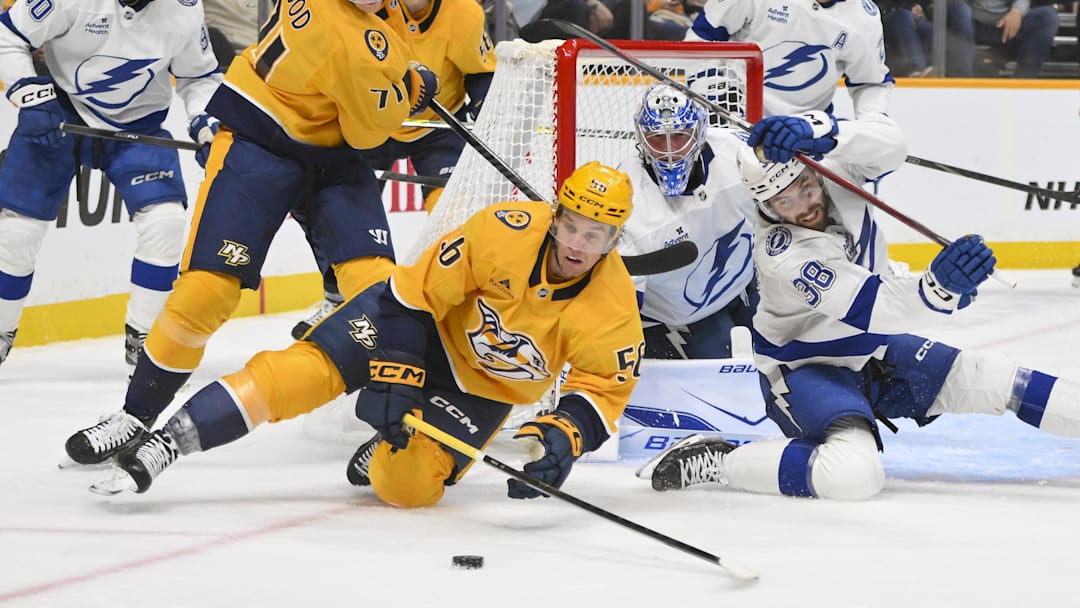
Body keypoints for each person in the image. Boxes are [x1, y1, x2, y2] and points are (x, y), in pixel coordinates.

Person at [90, 162, 645, 509]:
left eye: (595, 234)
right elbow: (412, 295)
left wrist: (562, 440)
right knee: (303, 374)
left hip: (486, 389)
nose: (577, 243)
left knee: (405, 489)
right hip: (419, 326)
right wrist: (398, 369)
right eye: (572, 224)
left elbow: (602, 388)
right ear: (555, 216)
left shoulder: (615, 306)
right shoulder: (502, 230)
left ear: (614, 240)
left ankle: (387, 444)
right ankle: (169, 441)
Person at [62, 0, 441, 466]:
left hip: (332, 155)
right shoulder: (345, 33)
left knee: (379, 296)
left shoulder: (375, 18)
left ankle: (397, 420)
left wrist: (403, 71)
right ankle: (134, 415)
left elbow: (384, 54)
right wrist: (412, 88)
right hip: (261, 142)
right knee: (207, 290)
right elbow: (370, 132)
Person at [637, 111, 1080, 500]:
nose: (802, 206)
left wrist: (822, 131)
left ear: (814, 171)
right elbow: (869, 306)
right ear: (763, 204)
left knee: (996, 376)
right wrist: (937, 288)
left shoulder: (837, 172)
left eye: (804, 187)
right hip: (806, 370)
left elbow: (893, 144)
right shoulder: (781, 252)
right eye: (781, 202)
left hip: (871, 350)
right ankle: (724, 461)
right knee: (853, 476)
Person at [0, 0, 222, 370]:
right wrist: (28, 92)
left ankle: (146, 342)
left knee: (165, 222)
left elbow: (198, 76)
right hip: (58, 115)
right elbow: (7, 32)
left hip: (139, 127)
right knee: (16, 232)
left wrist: (206, 121)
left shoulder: (184, 8)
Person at [289, 0, 497, 341]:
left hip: (439, 128)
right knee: (341, 216)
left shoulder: (463, 13)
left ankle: (456, 317)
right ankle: (336, 299)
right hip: (374, 122)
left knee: (453, 223)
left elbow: (482, 72)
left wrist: (487, 116)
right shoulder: (368, 5)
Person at [617, 83, 757, 359]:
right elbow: (622, 305)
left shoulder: (739, 154)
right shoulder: (627, 202)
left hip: (743, 286)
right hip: (675, 316)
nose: (670, 152)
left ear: (700, 132)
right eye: (658, 139)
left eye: (679, 136)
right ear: (641, 138)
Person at [684, 0, 897, 121]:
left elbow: (871, 82)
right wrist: (711, 95)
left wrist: (872, 125)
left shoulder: (863, 18)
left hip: (800, 134)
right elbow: (701, 39)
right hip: (733, 117)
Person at [879, 0, 975, 77]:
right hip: (884, 17)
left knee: (931, 31)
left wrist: (918, 6)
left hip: (914, 17)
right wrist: (908, 6)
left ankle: (960, 75)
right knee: (903, 16)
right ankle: (914, 72)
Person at [970, 0, 1059, 78]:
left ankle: (1023, 84)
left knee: (1047, 16)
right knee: (959, 13)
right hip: (972, 26)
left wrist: (1017, 11)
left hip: (1009, 26)